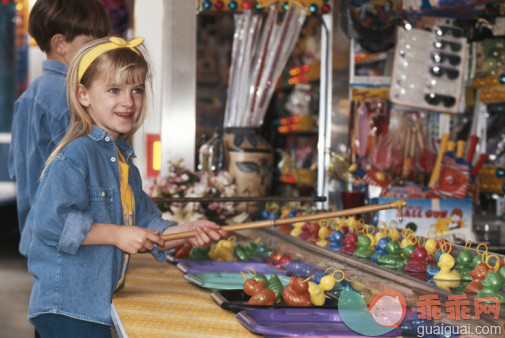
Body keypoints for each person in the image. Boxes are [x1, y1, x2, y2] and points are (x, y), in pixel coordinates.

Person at [25, 36, 229, 337]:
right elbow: (51, 223)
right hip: (66, 308)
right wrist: (118, 234)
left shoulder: (123, 163)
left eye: (137, 90)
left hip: (94, 307)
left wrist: (188, 230)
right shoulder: (75, 154)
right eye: (114, 90)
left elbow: (147, 224)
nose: (128, 101)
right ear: (83, 95)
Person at [8, 0, 111, 256]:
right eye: (92, 44)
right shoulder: (72, 100)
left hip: (40, 240)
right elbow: (90, 178)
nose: (101, 52)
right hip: (73, 243)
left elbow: (15, 170)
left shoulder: (29, 96)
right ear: (60, 44)